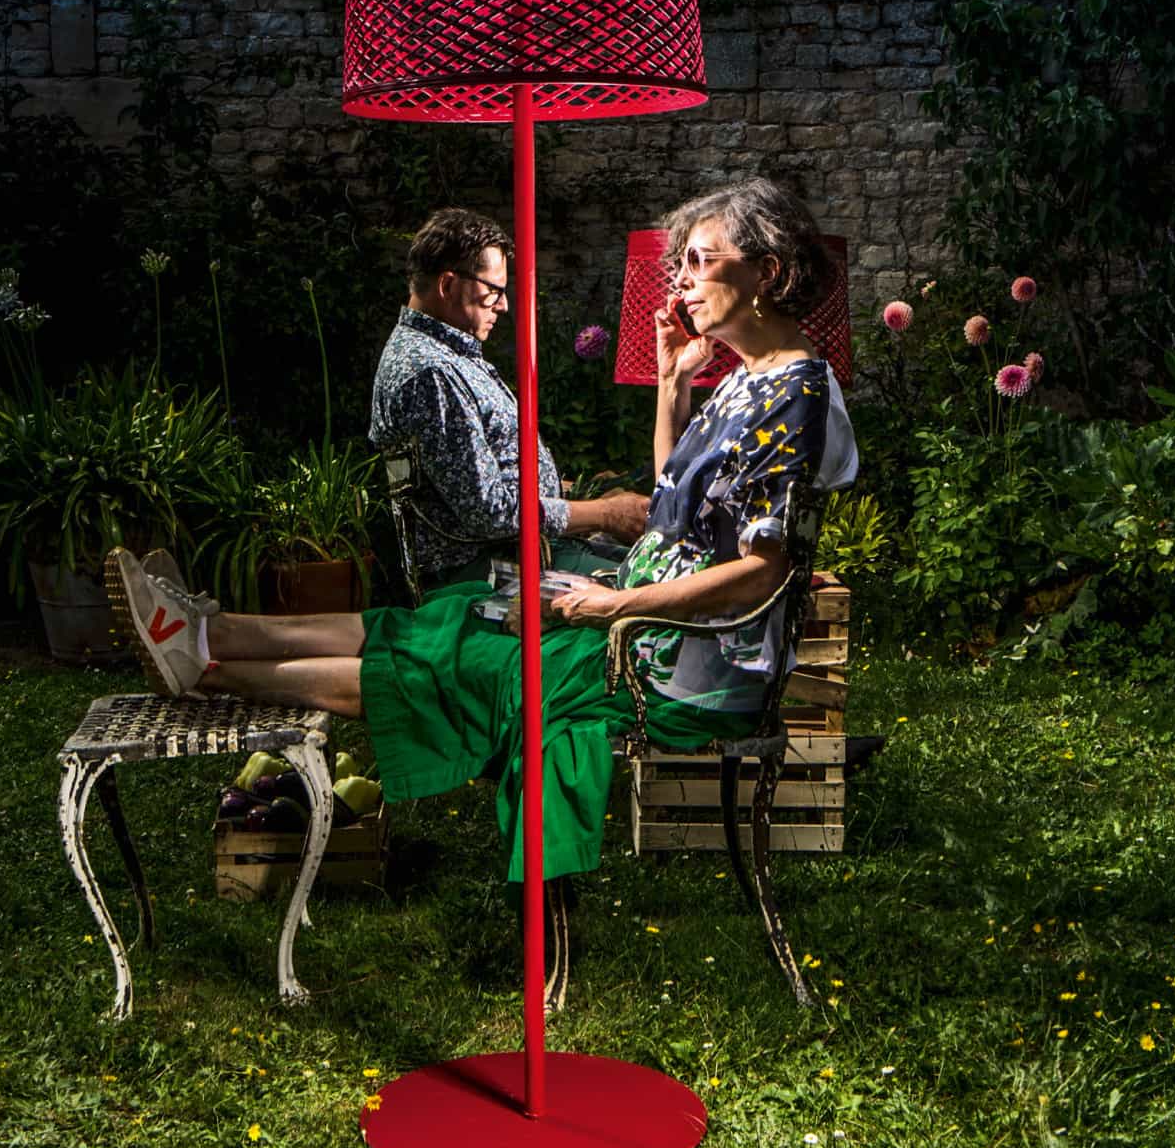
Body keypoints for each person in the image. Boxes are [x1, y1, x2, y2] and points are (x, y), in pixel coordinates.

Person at [108, 178, 858, 883]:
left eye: (700, 260)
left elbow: (764, 572)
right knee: (452, 629)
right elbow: (674, 506)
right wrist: (674, 382)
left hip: (679, 666)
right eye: (682, 261)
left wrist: (613, 605)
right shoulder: (749, 380)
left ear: (767, 272)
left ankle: (207, 663)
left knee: (460, 656)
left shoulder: (796, 397)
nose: (681, 280)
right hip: (645, 624)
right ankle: (207, 645)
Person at [369, 206, 650, 588]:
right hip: (492, 572)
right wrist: (604, 514)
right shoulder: (431, 373)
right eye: (494, 292)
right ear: (448, 285)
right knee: (660, 590)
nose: (503, 305)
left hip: (527, 552)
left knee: (665, 567)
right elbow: (489, 512)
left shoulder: (444, 358)